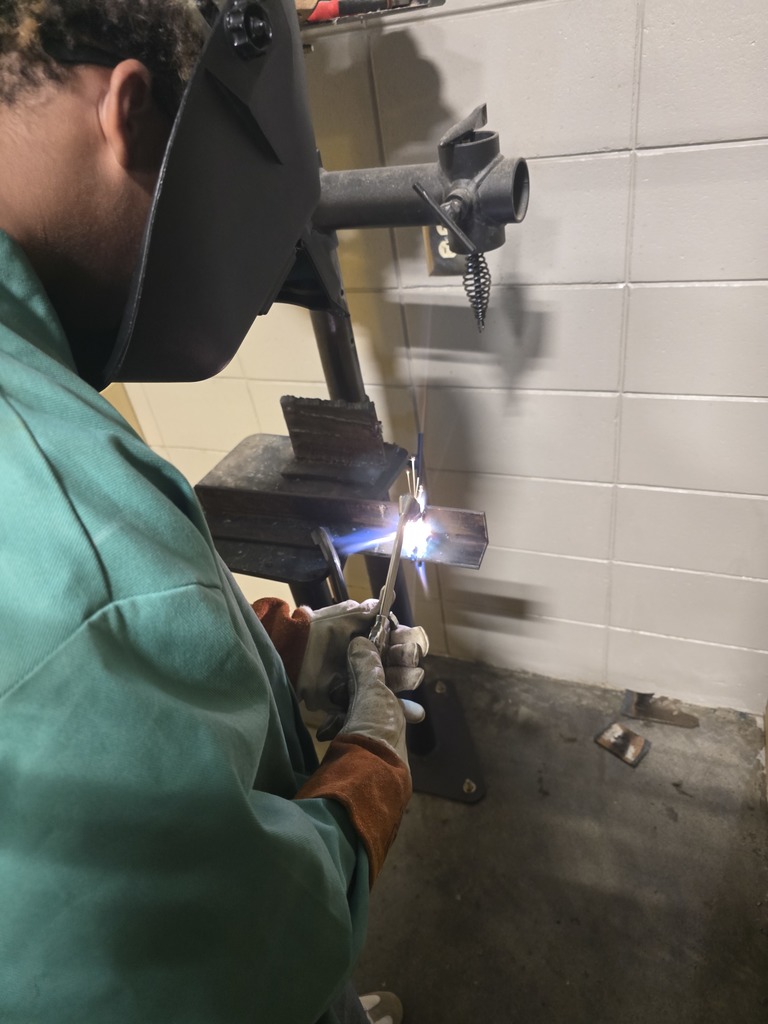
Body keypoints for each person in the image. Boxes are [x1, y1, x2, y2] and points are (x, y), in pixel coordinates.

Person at [0, 3, 427, 1022]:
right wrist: (367, 772)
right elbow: (239, 952)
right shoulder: (89, 557)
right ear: (132, 117)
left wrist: (239, 668)